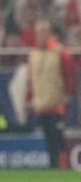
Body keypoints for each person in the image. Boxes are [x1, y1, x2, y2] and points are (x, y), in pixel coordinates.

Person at [26, 19, 75, 168]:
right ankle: (53, 165)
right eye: (38, 32)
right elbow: (31, 79)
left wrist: (68, 94)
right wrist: (28, 98)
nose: (40, 35)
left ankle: (62, 165)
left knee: (58, 136)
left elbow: (70, 75)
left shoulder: (60, 52)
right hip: (41, 104)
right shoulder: (33, 54)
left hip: (57, 103)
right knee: (48, 137)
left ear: (50, 33)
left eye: (43, 31)